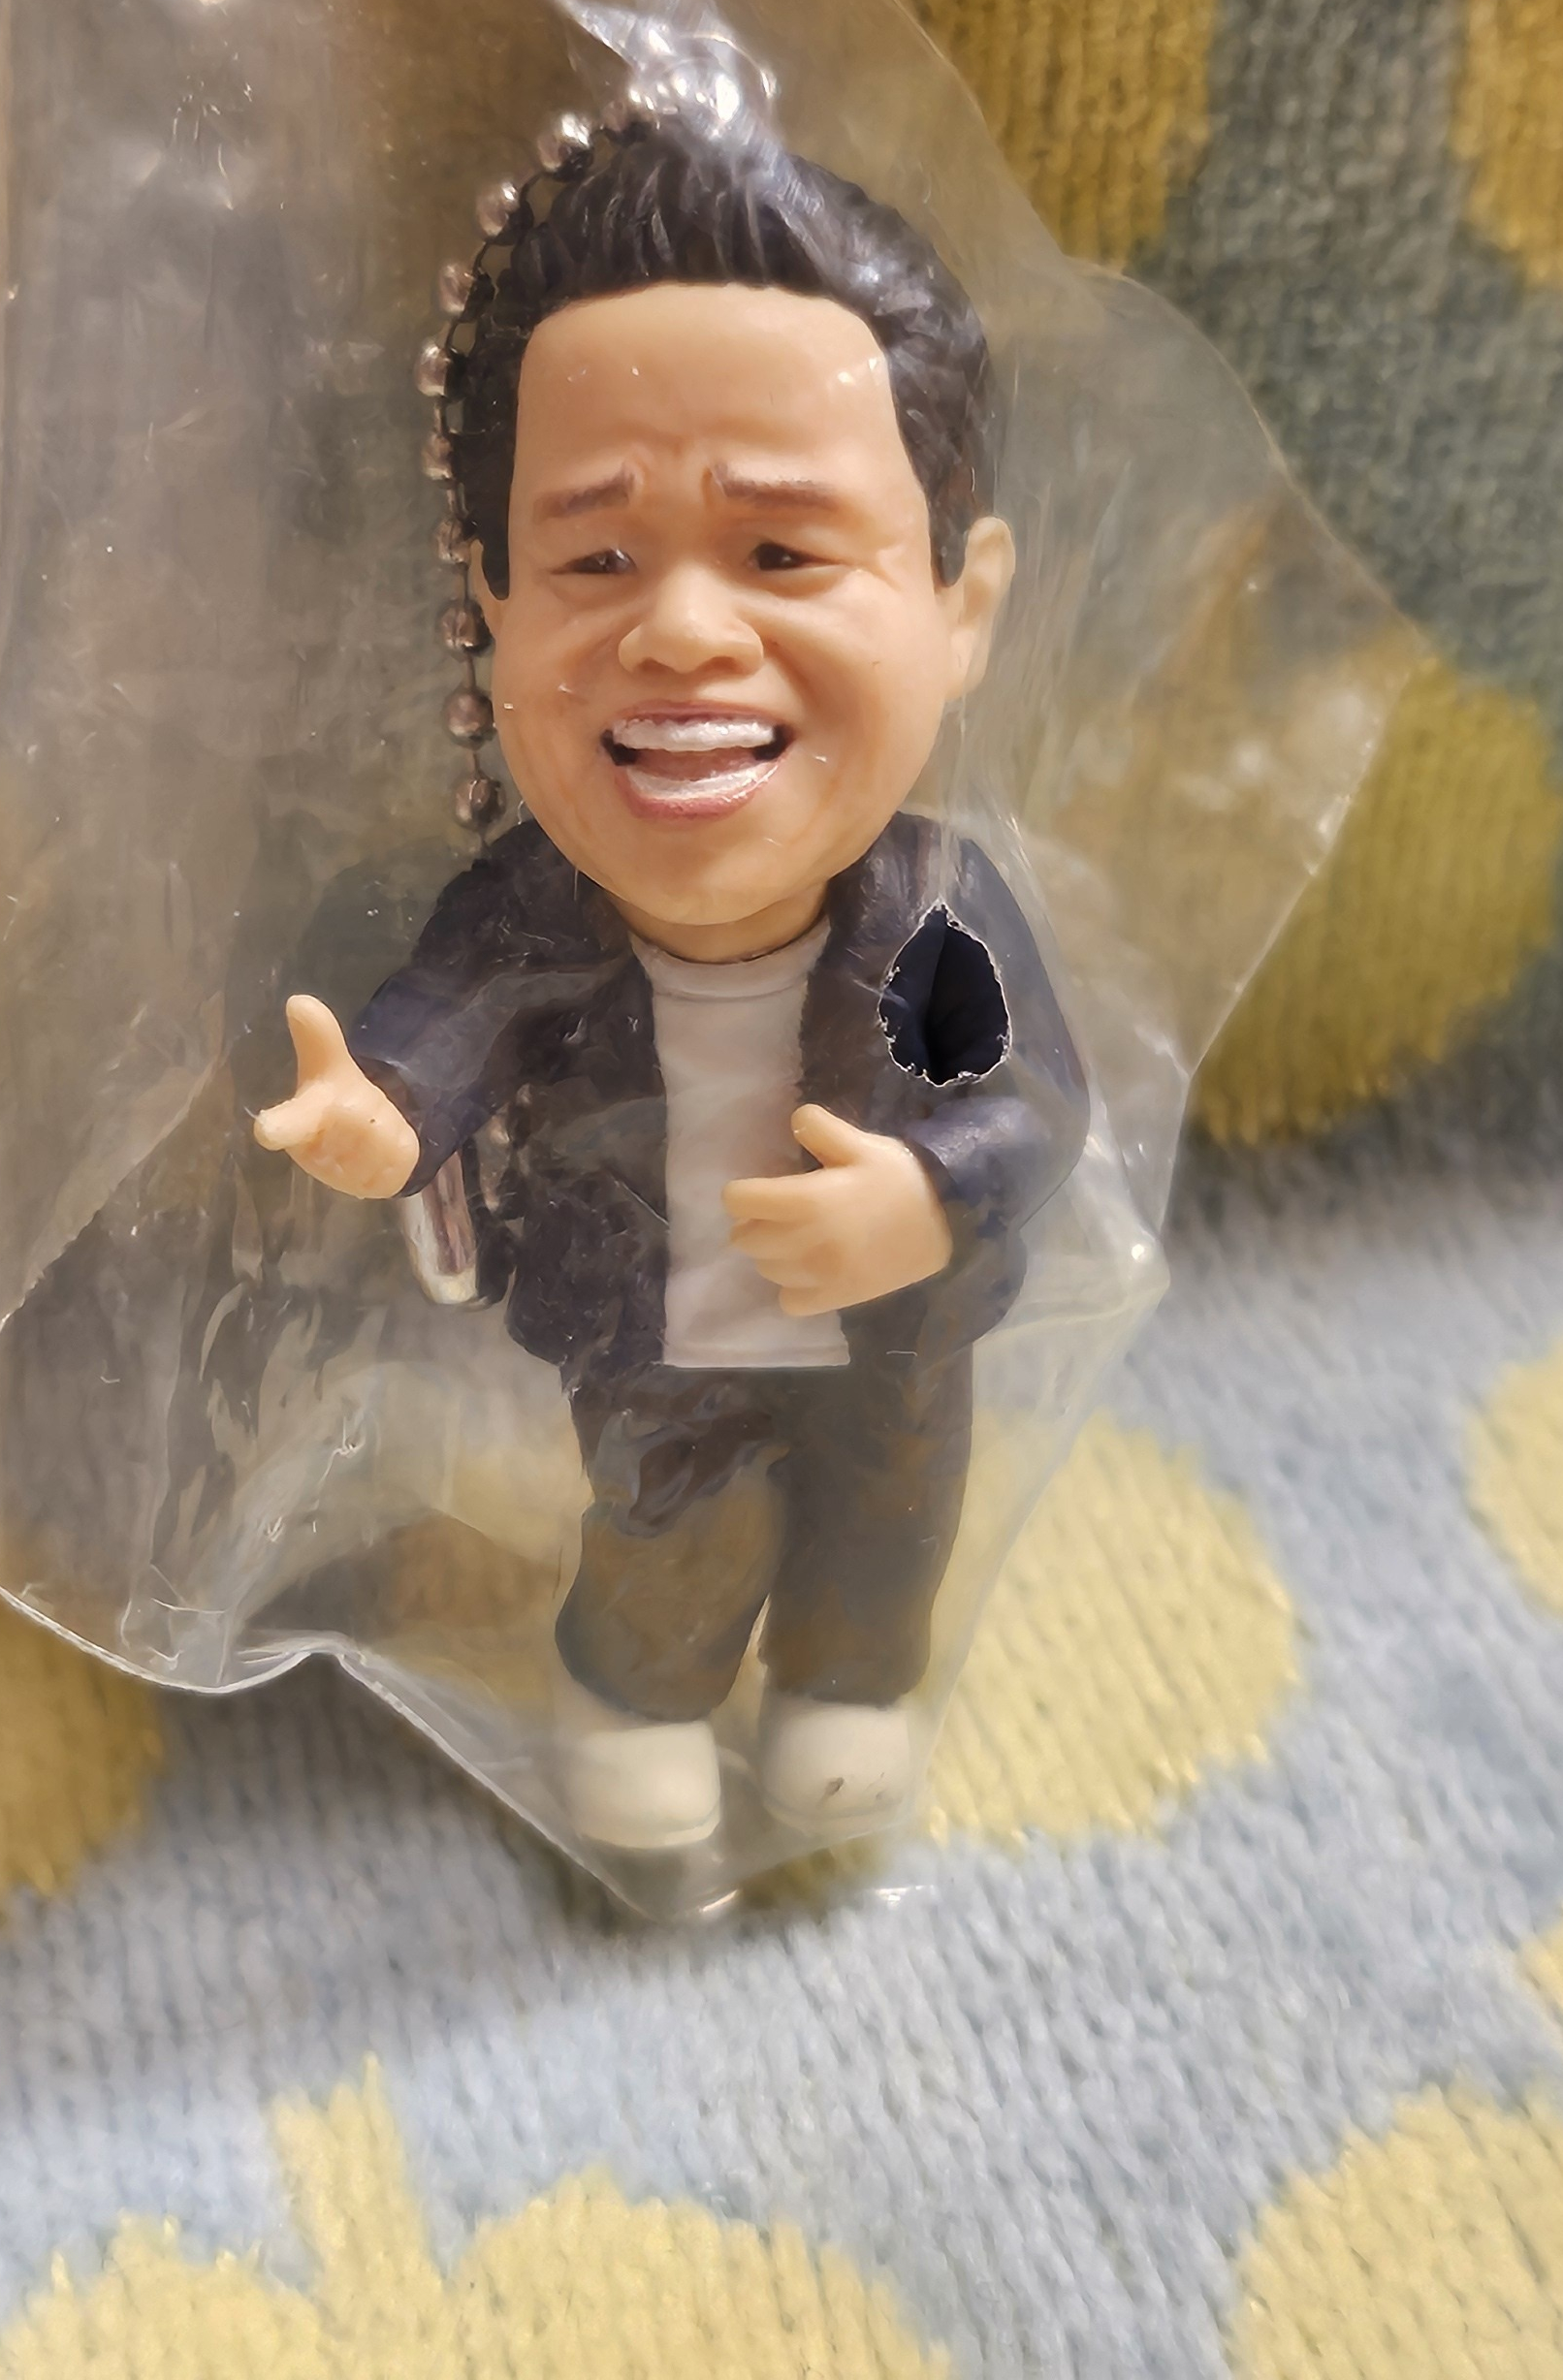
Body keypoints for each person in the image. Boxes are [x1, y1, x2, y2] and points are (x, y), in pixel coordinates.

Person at [255, 111, 1086, 1852]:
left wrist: (929, 1197)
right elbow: (451, 1021)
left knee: (888, 1521)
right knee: (669, 1527)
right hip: (651, 1325)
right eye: (597, 560)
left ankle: (848, 1685)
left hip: (892, 1339)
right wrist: (381, 1116)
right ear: (492, 599)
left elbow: (1026, 1103)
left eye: (783, 554)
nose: (687, 633)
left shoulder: (932, 914)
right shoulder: (536, 912)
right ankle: (634, 1693)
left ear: (961, 604)